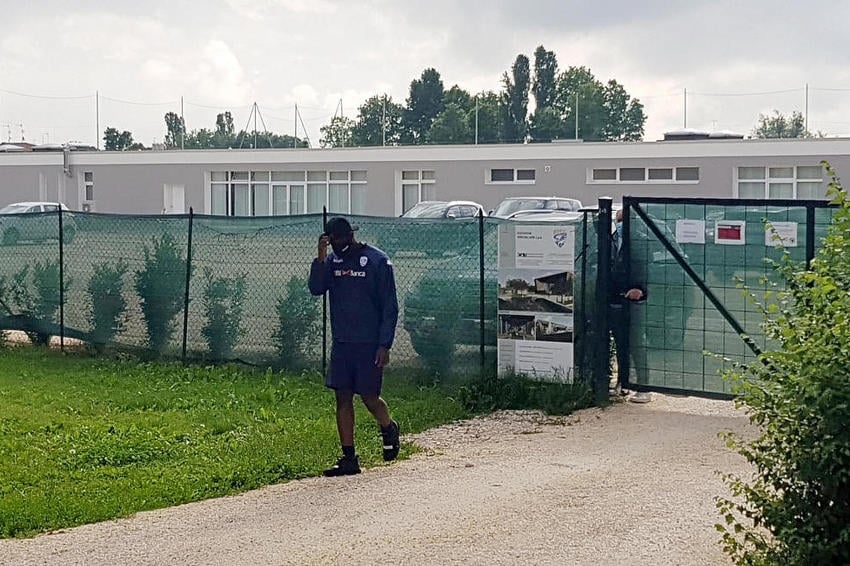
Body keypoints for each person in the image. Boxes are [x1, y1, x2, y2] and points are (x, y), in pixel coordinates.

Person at [308, 216, 401, 476]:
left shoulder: (377, 261)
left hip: (369, 344)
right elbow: (316, 288)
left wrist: (385, 344)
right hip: (343, 343)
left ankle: (388, 426)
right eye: (331, 241)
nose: (337, 245)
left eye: (339, 240)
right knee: (342, 396)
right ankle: (349, 458)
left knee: (369, 398)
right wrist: (320, 256)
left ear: (350, 236)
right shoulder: (331, 261)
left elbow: (390, 307)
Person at [610, 208, 652, 403]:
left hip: (634, 299)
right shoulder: (612, 239)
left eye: (622, 221)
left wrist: (639, 288)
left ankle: (643, 386)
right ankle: (623, 383)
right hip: (615, 297)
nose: (619, 224)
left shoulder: (641, 240)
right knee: (620, 343)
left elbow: (645, 267)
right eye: (617, 220)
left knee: (636, 342)